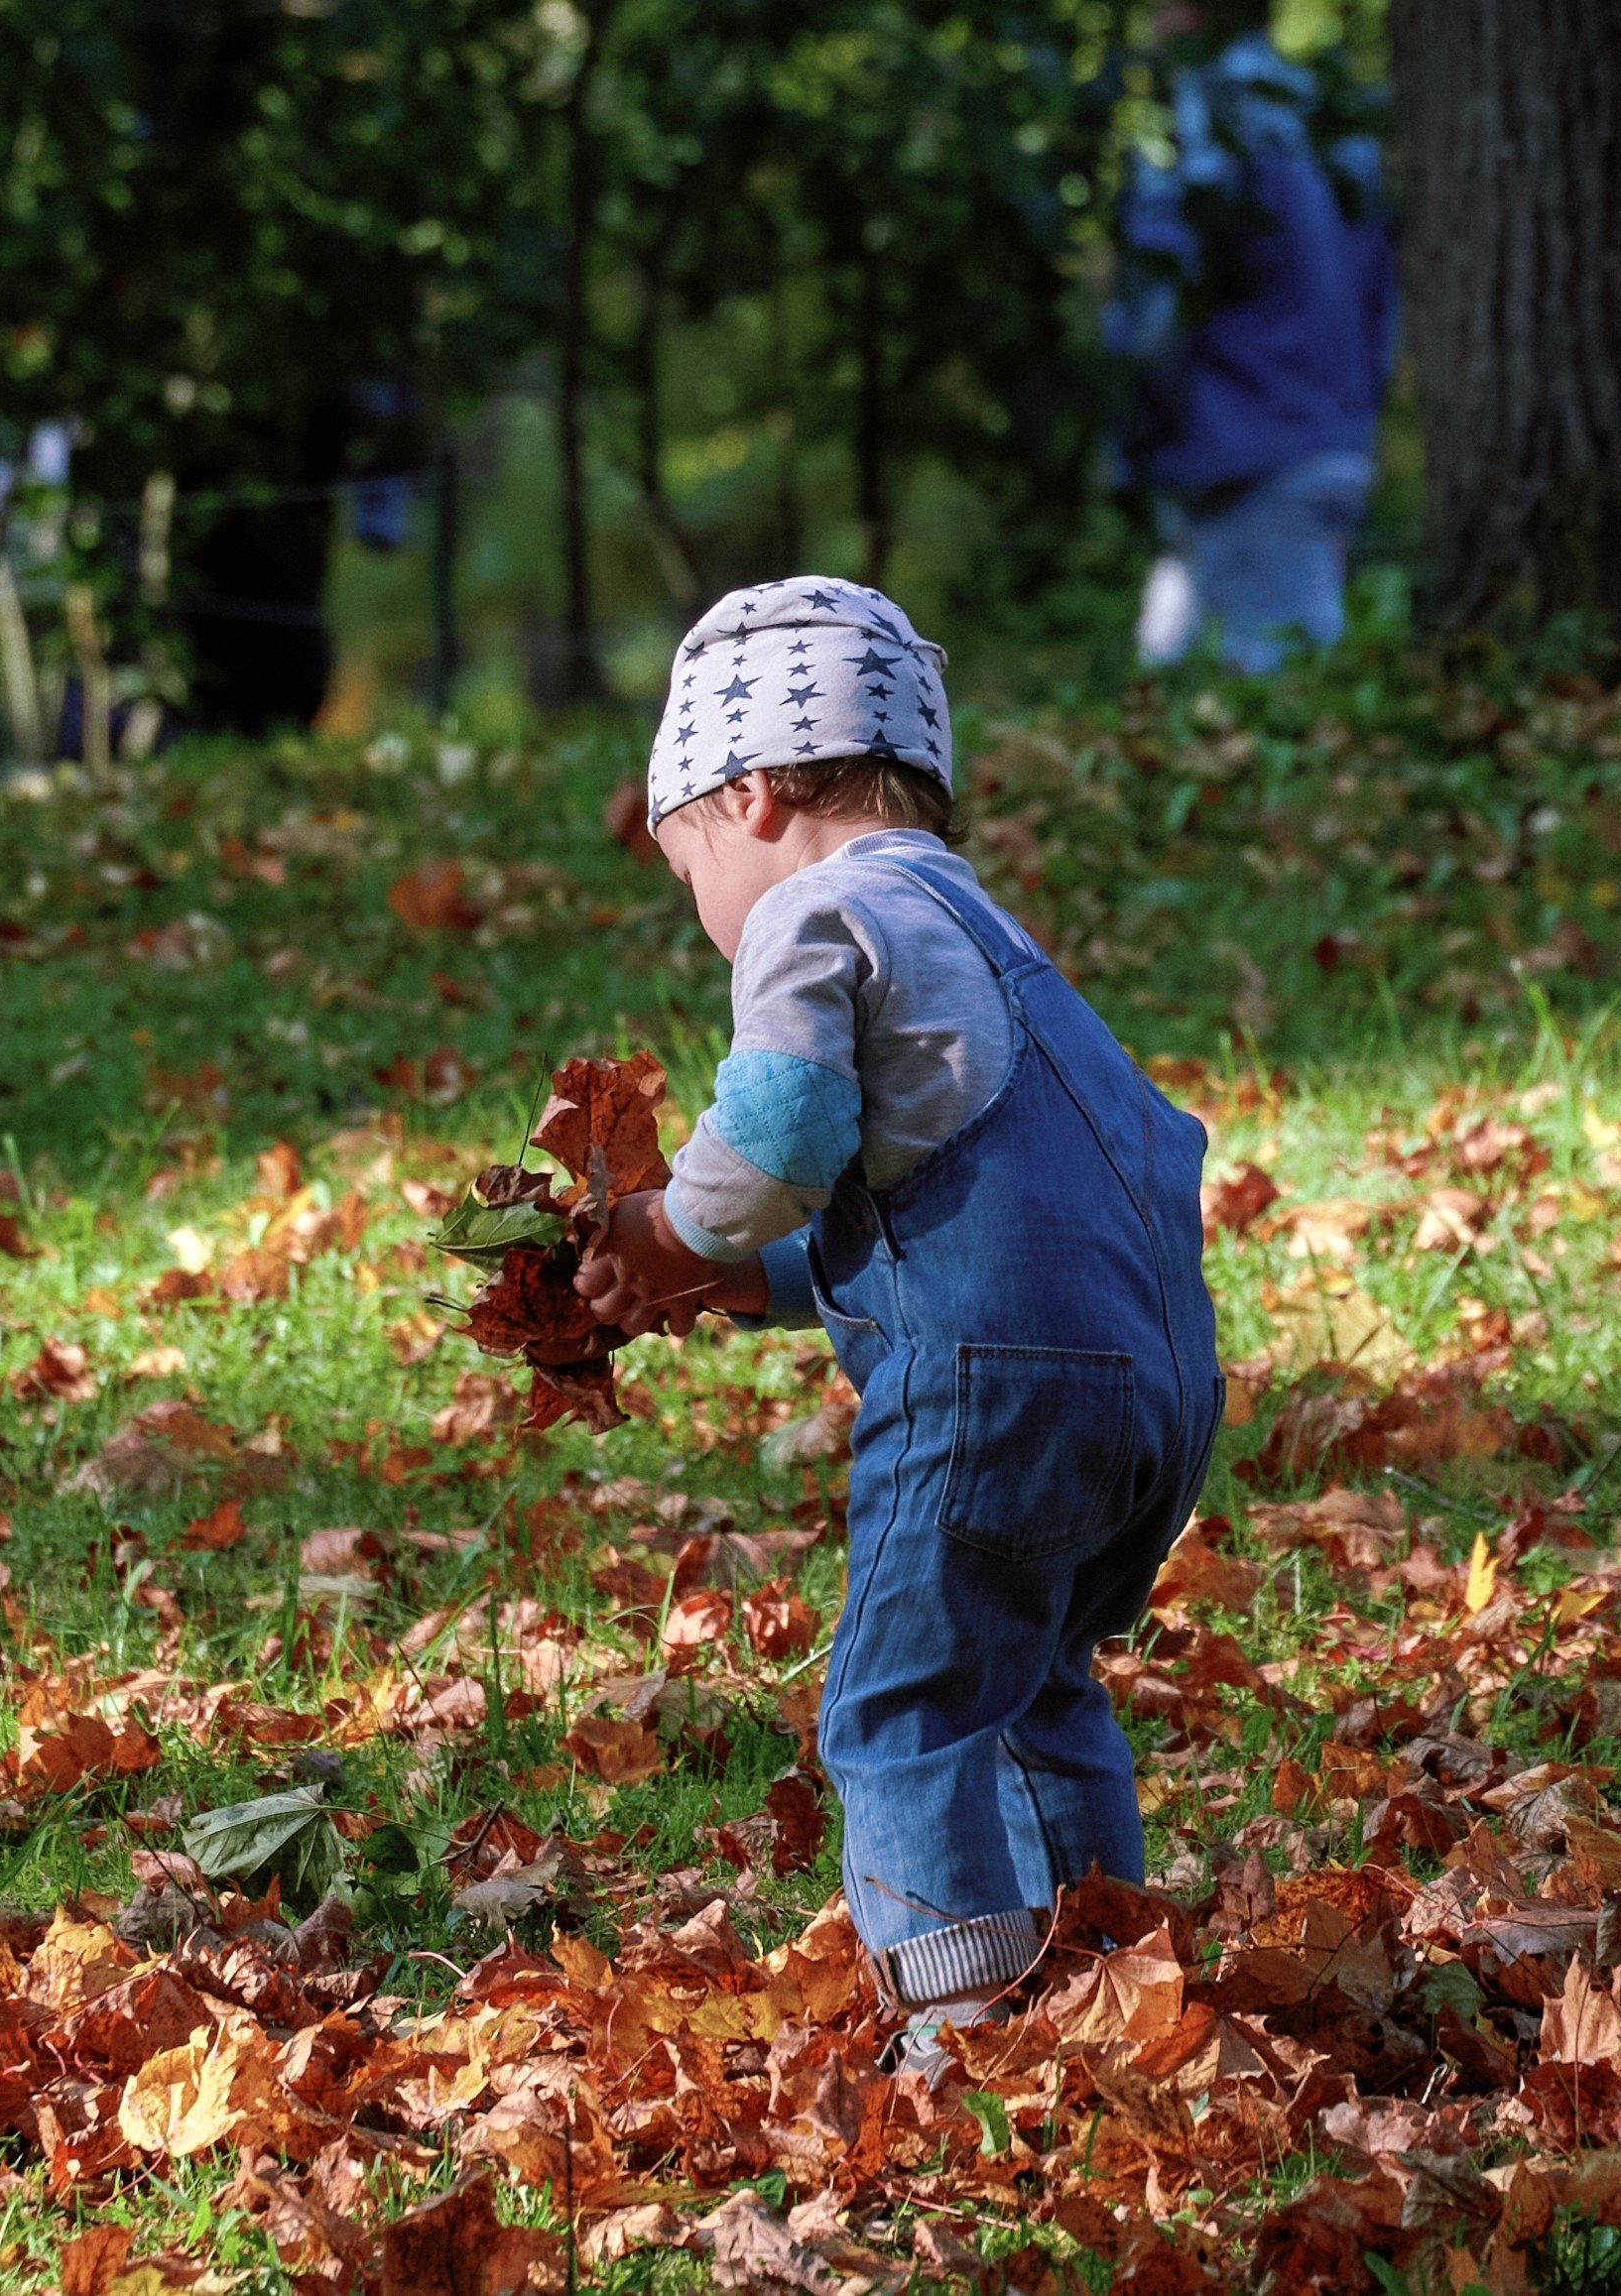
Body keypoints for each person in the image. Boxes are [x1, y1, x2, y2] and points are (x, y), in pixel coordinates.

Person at [576, 578, 1222, 2038]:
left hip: (991, 1392)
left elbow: (785, 1122)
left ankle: (962, 2019)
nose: (706, 921)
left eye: (686, 876)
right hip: (1150, 1384)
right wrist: (752, 1276)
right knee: (1036, 1679)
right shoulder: (983, 931)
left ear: (748, 796)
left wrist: (673, 1231)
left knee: (900, 1709)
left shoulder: (818, 908)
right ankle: (1099, 1973)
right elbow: (962, 1202)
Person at [1105, 22, 1395, 673]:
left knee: (1281, 697)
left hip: (1246, 453)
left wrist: (1134, 440)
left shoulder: (1199, 120)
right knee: (1165, 682)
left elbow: (1157, 301)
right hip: (1323, 440)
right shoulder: (1328, 116)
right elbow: (1380, 304)